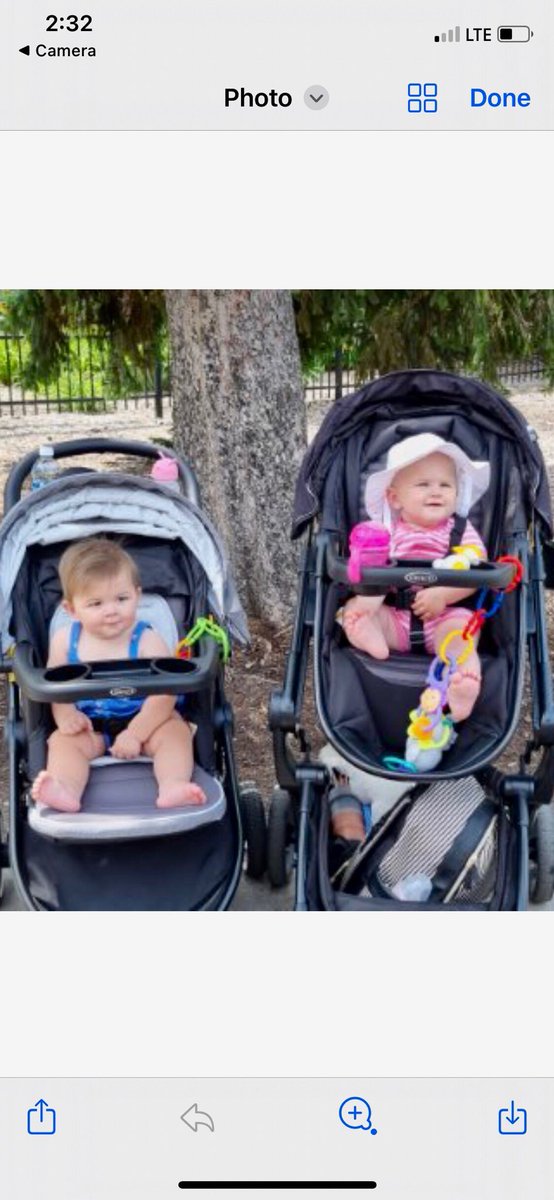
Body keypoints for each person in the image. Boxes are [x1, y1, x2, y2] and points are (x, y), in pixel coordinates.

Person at [331, 432, 490, 850]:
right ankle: (371, 638)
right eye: (424, 484)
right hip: (397, 618)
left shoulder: (461, 531)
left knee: (461, 638)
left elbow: (476, 567)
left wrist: (444, 592)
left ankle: (461, 689)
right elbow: (368, 579)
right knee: (363, 610)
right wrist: (367, 596)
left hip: (443, 617)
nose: (437, 491)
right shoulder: (385, 530)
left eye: (446, 485)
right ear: (396, 497)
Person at [31, 537, 206, 813]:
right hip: (89, 726)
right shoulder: (65, 642)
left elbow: (165, 693)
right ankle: (64, 788)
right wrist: (66, 717)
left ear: (137, 595)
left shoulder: (148, 640)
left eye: (121, 599)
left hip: (147, 722)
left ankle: (173, 785)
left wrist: (136, 734)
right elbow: (55, 685)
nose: (111, 610)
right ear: (71, 609)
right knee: (62, 744)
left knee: (176, 732)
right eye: (96, 603)